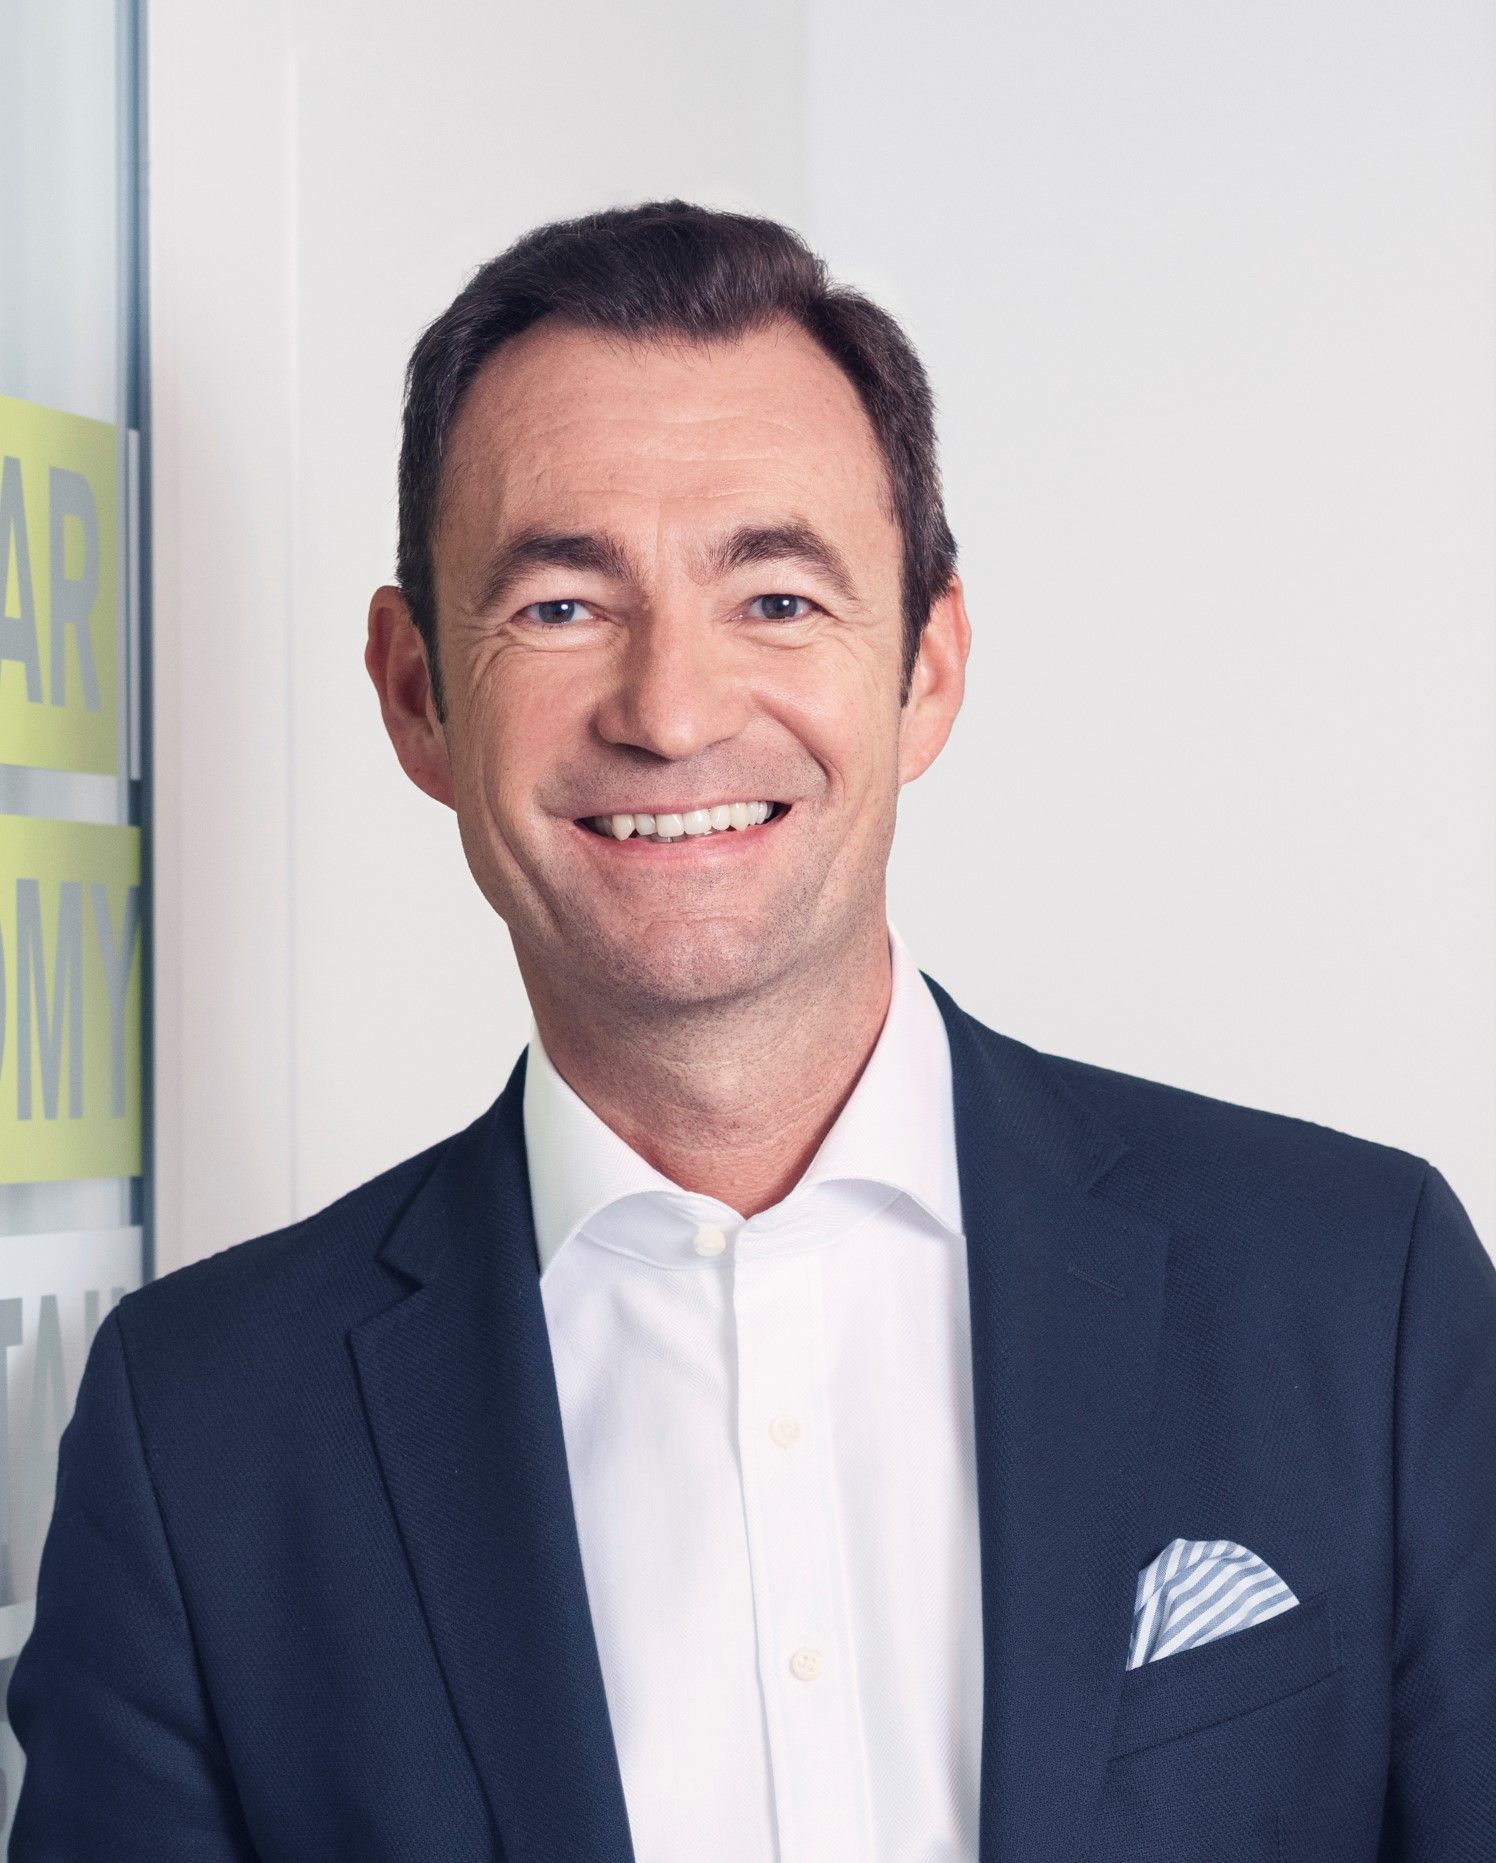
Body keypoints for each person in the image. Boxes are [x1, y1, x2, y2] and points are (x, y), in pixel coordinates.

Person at [8, 199, 1493, 1863]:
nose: (672, 711)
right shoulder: (198, 1431)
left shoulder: (1361, 1295)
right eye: (561, 607)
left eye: (777, 599)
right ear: (417, 692)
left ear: (928, 669)